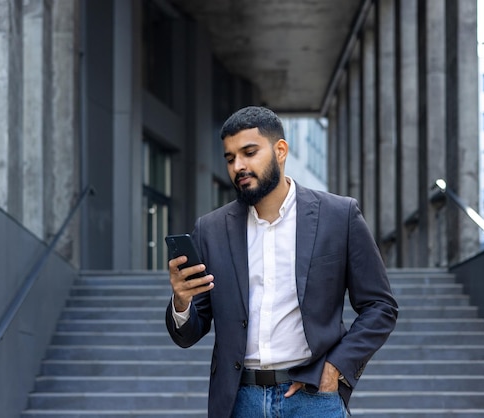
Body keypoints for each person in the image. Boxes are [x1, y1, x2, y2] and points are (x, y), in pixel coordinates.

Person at [165, 106, 398, 418]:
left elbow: (381, 306)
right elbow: (192, 331)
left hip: (313, 397)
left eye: (249, 152)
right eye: (231, 158)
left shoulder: (338, 216)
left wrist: (335, 368)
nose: (239, 166)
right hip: (240, 400)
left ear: (280, 150)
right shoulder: (211, 229)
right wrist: (181, 302)